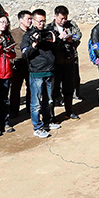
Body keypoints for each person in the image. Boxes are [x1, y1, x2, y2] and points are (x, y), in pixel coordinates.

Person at [22, 9, 60, 137]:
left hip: (50, 71)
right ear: (32, 20)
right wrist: (34, 44)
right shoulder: (27, 37)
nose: (42, 24)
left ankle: (47, 121)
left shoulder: (48, 33)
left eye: (44, 21)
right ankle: (37, 127)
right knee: (36, 103)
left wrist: (55, 40)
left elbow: (57, 50)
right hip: (37, 73)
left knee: (48, 100)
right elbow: (25, 55)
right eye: (39, 21)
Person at [51, 5, 82, 121]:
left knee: (68, 88)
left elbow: (78, 35)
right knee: (54, 90)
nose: (63, 21)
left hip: (68, 61)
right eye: (61, 19)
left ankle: (69, 111)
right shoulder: (50, 28)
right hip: (55, 63)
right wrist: (59, 38)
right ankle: (52, 115)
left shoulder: (71, 25)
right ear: (55, 16)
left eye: (65, 18)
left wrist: (71, 39)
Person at [8, 10, 33, 121]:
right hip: (17, 65)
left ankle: (30, 108)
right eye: (28, 19)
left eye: (31, 19)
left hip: (31, 64)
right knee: (15, 89)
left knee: (31, 88)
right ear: (21, 20)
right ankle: (14, 110)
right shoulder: (13, 33)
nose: (30, 21)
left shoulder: (33, 32)